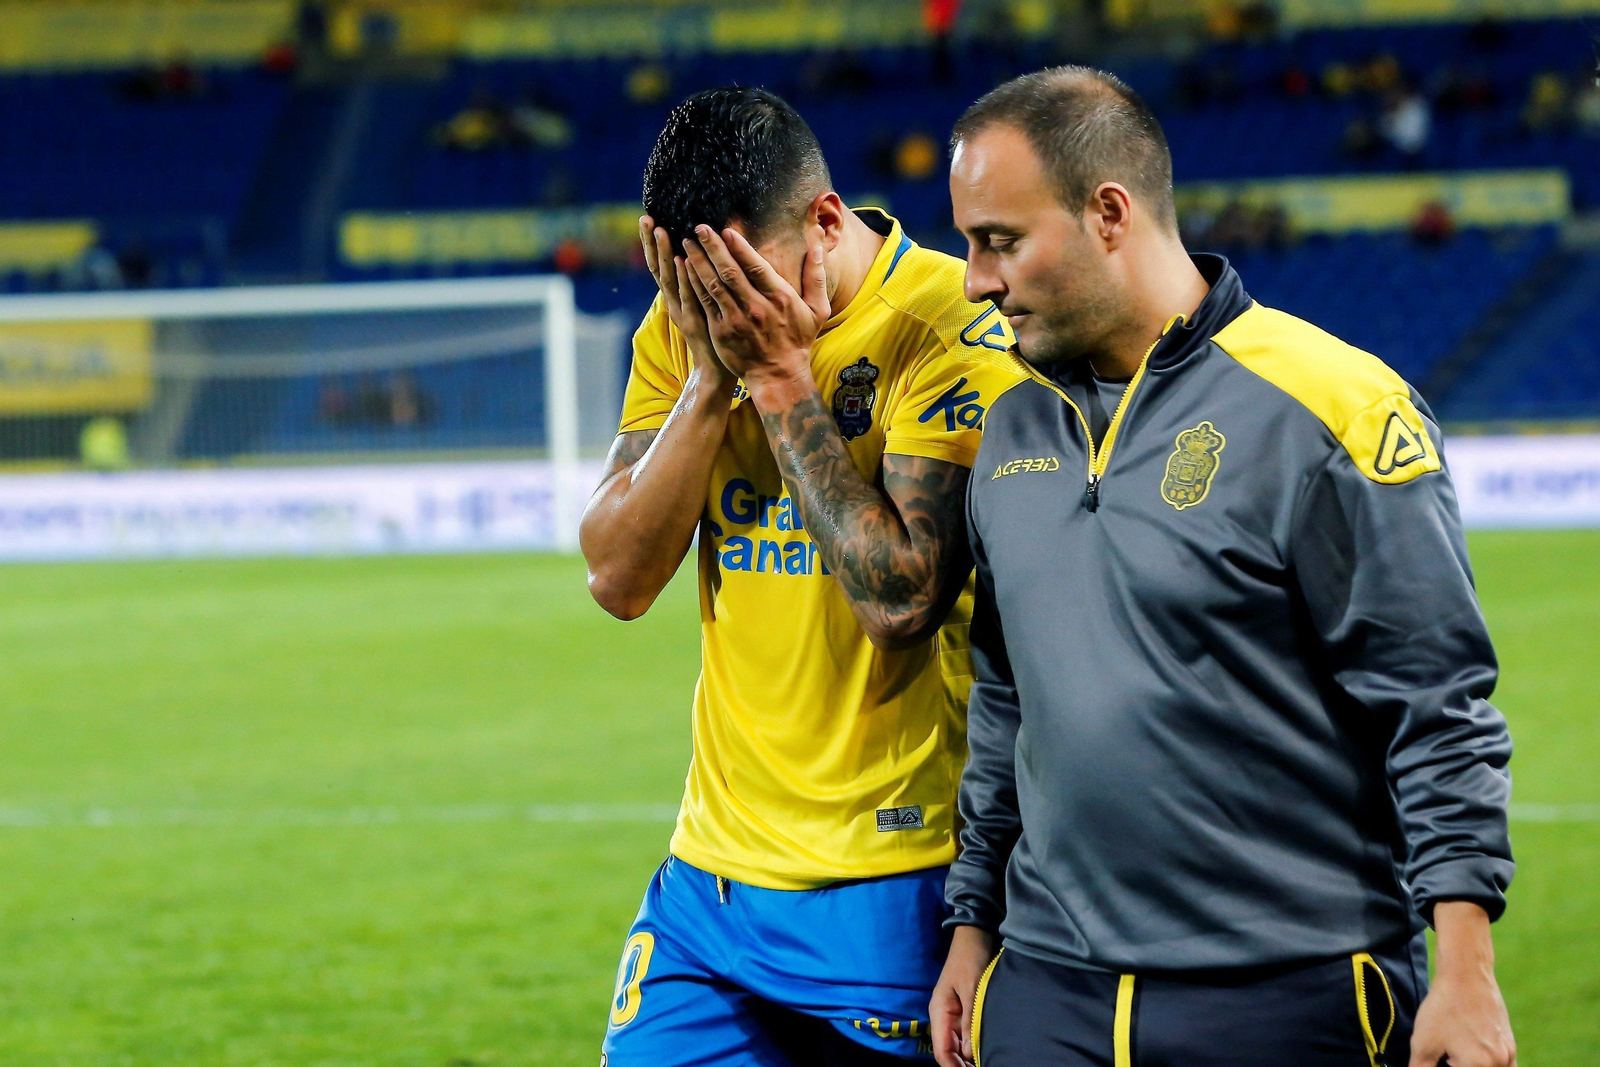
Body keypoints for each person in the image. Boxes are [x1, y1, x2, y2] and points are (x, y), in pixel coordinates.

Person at [930, 67, 1517, 1067]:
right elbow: (1004, 697)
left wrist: (1464, 967)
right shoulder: (1009, 427)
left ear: (1107, 212)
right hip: (1044, 991)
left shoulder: (1333, 408)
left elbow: (1434, 700)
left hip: (1287, 992)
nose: (977, 280)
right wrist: (973, 921)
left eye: (1000, 241)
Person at [580, 86, 1023, 1065]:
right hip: (711, 877)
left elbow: (901, 598)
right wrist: (707, 376)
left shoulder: (950, 327)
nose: (720, 312)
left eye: (739, 281)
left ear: (826, 221)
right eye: (694, 287)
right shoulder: (684, 325)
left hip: (894, 880)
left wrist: (779, 379)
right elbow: (617, 577)